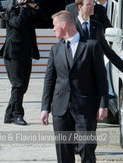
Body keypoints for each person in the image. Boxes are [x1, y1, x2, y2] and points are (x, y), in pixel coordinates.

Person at [41, 11, 108, 163]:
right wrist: (45, 108)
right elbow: (49, 80)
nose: (53, 29)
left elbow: (101, 79)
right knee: (63, 152)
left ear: (63, 25)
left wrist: (103, 104)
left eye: (54, 25)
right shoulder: (55, 50)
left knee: (86, 147)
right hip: (61, 109)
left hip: (85, 108)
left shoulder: (91, 46)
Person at [0, 0, 42, 125]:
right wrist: (22, 8)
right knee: (17, 85)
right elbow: (18, 23)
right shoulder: (10, 12)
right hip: (13, 54)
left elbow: (43, 18)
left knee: (23, 86)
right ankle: (17, 115)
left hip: (26, 53)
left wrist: (34, 7)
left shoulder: (28, 12)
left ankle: (8, 114)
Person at [76, 0, 123, 80]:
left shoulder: (98, 27)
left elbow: (107, 50)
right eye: (88, 5)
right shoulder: (71, 26)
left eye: (93, 4)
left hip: (95, 75)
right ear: (80, 7)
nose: (92, 7)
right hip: (77, 75)